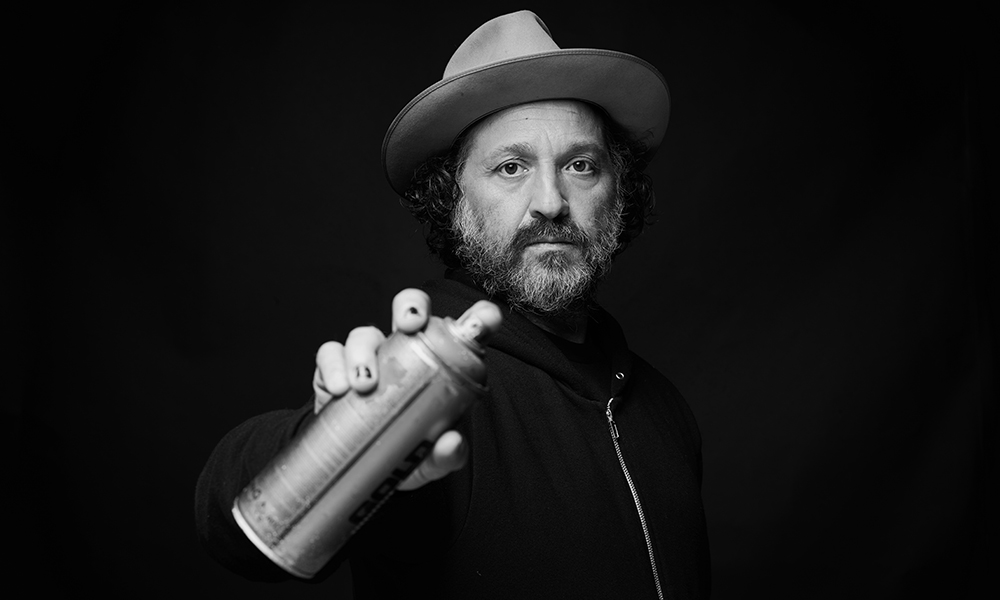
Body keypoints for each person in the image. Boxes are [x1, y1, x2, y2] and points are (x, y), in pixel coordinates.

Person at [195, 10, 710, 599]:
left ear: (617, 191)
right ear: (453, 197)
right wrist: (326, 436)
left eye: (580, 165)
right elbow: (233, 527)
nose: (550, 201)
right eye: (511, 167)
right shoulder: (424, 397)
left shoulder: (665, 411)